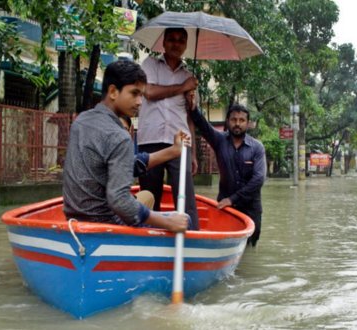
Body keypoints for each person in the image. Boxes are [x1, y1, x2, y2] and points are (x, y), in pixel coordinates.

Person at [62, 60, 188, 232]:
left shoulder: (81, 121)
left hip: (73, 219)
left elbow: (126, 163)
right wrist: (168, 222)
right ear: (113, 91)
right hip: (106, 224)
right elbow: (120, 201)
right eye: (135, 93)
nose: (140, 102)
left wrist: (173, 151)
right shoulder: (119, 136)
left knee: (147, 196)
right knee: (179, 219)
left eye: (142, 95)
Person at [138, 27, 200, 230]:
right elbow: (150, 92)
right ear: (163, 43)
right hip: (150, 140)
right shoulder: (150, 64)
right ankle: (148, 243)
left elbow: (190, 117)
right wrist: (182, 87)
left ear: (185, 45)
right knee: (150, 197)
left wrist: (194, 155)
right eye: (171, 39)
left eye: (181, 40)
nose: (176, 43)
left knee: (186, 200)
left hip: (181, 142)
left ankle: (192, 241)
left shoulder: (190, 77)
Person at [186, 97, 266, 246]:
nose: (237, 123)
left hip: (250, 208)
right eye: (234, 119)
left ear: (248, 124)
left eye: (242, 120)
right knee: (224, 244)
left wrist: (232, 199)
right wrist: (193, 107)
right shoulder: (219, 140)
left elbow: (258, 179)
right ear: (227, 121)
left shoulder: (257, 148)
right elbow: (202, 125)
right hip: (225, 207)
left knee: (249, 249)